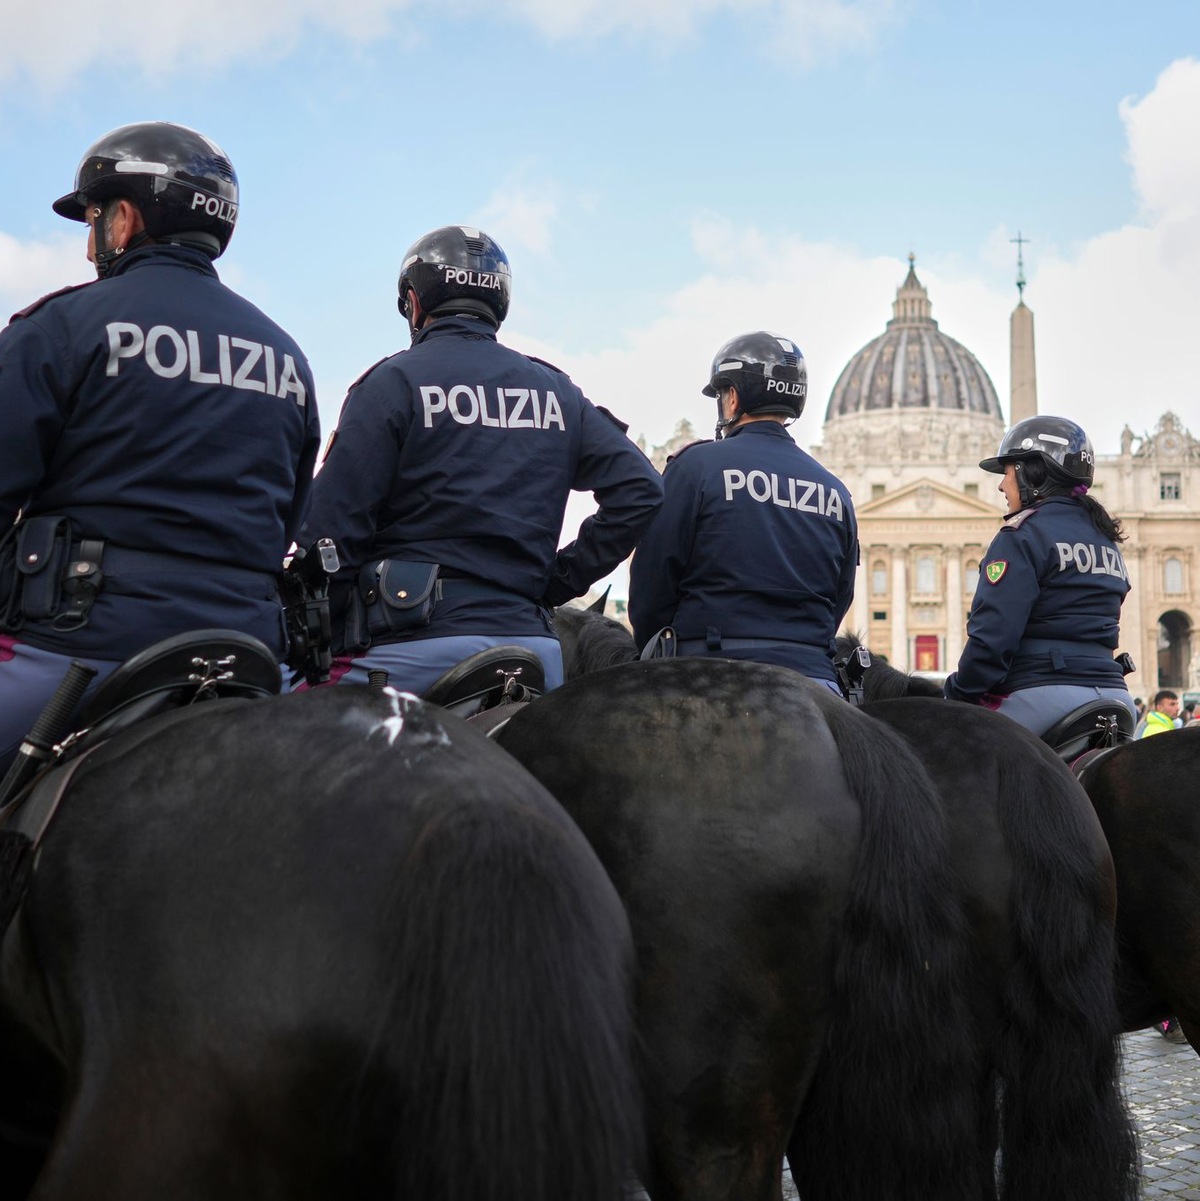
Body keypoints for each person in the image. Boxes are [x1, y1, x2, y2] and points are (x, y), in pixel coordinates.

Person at [0, 122, 321, 772]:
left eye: (92, 220)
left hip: (77, 650)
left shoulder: (61, 327)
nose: (91, 244)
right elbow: (288, 523)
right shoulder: (287, 357)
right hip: (247, 656)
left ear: (122, 220)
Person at [297, 225, 662, 694]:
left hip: (406, 649)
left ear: (414, 302)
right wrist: (556, 583)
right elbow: (643, 490)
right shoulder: (558, 393)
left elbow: (329, 535)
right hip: (533, 652)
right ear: (498, 304)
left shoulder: (392, 382)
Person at [628, 332, 858, 692]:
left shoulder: (695, 466)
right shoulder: (836, 491)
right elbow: (841, 595)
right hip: (815, 677)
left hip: (710, 670)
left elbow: (653, 579)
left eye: (721, 394)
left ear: (732, 397)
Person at [944, 416, 1135, 735]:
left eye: (1006, 472)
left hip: (1040, 694)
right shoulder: (1106, 539)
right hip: (1116, 698)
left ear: (1030, 472)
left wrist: (956, 694)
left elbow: (993, 638)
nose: (1001, 485)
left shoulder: (1021, 536)